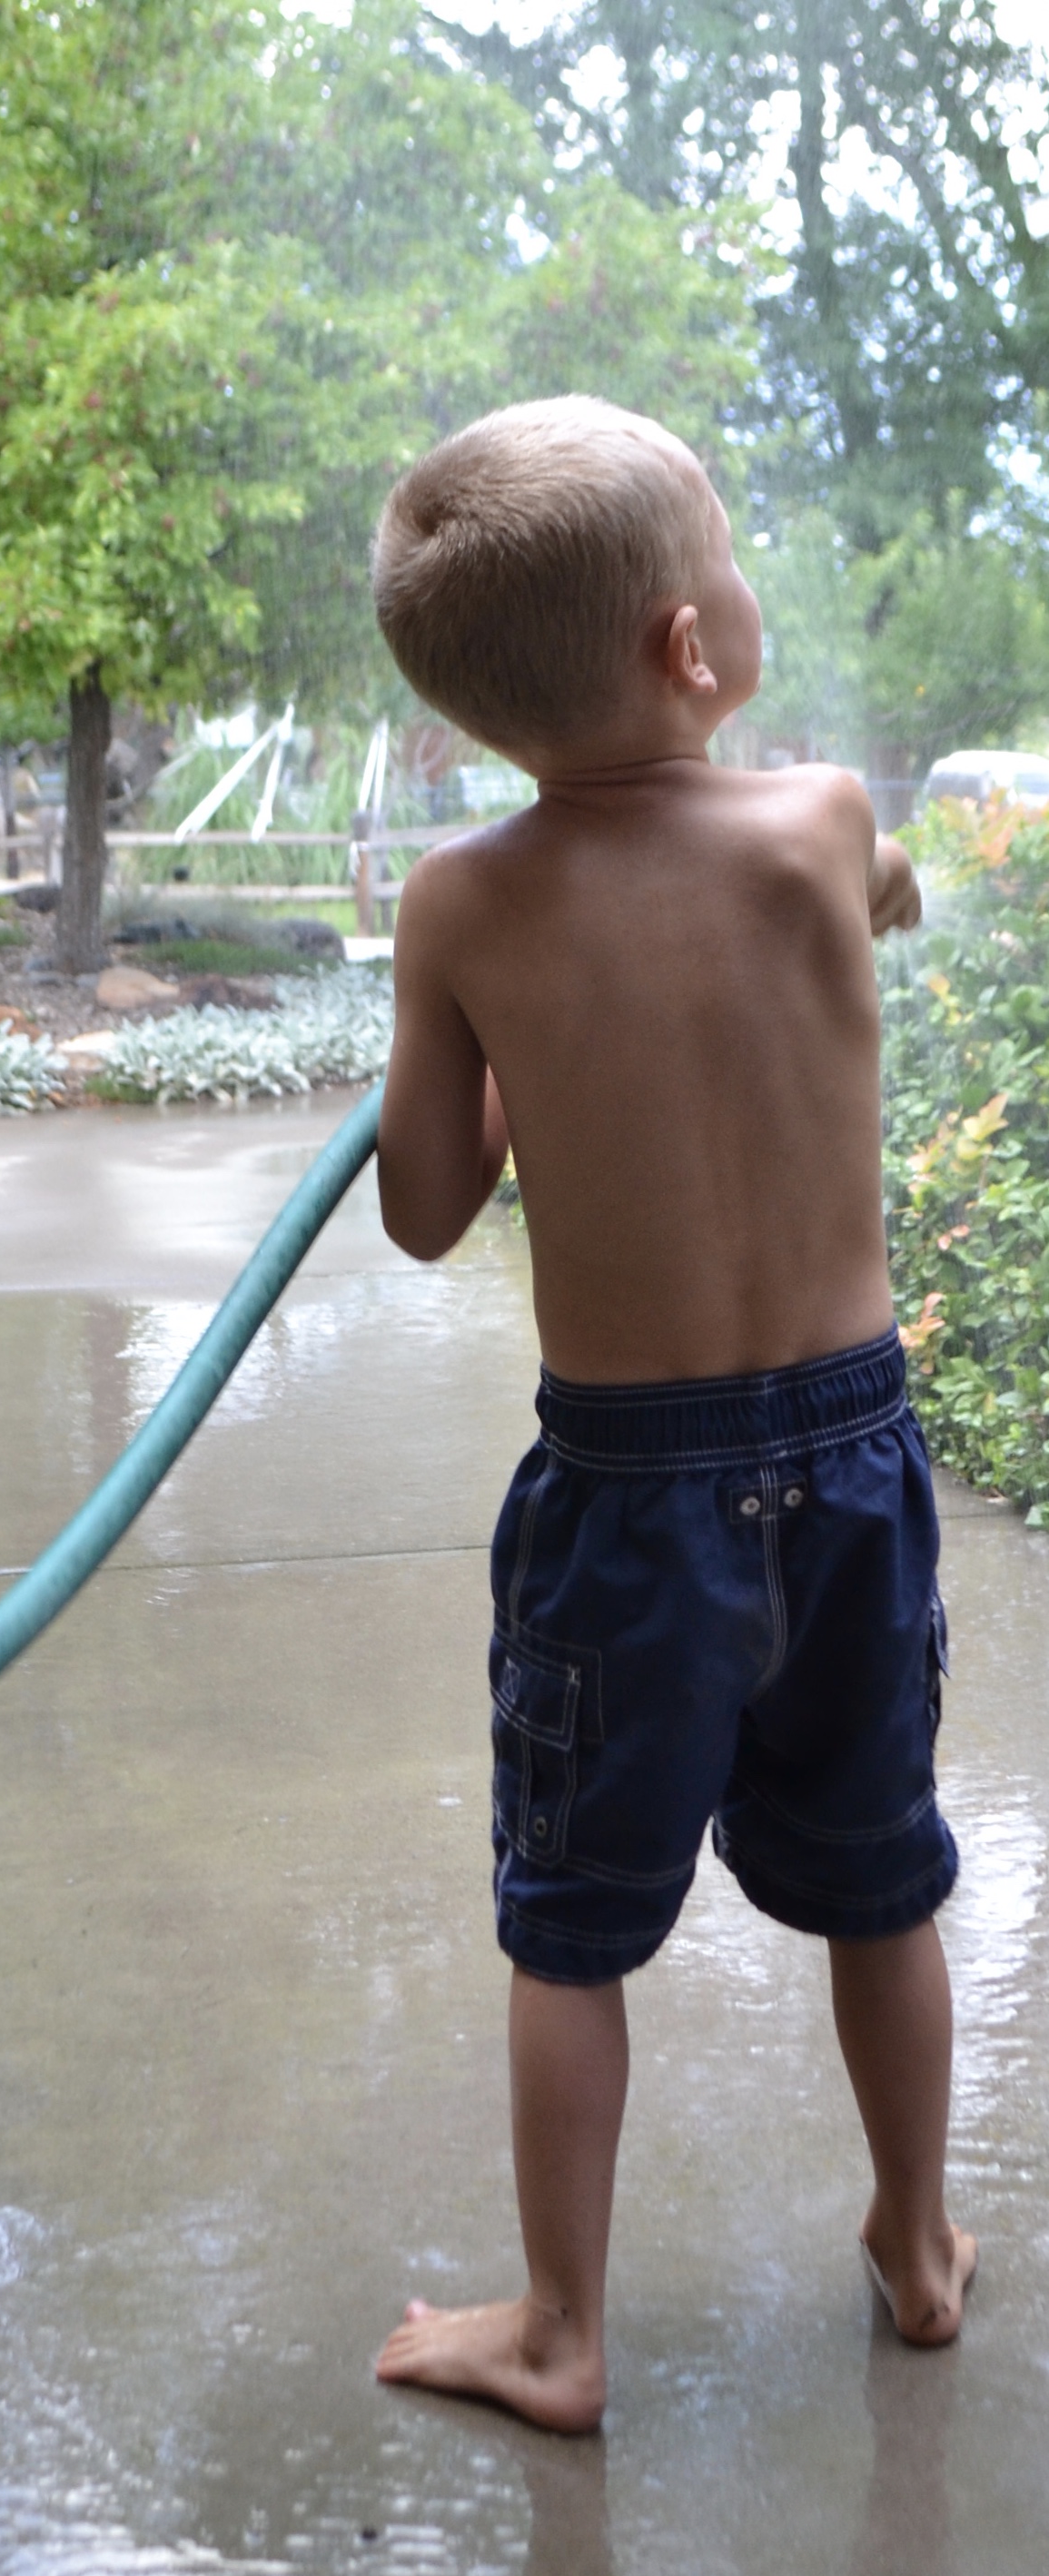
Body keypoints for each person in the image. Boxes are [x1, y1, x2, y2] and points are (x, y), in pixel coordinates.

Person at [368, 396, 974, 2434]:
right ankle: (911, 2236)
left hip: (629, 1500)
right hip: (855, 1467)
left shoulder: (462, 906)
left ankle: (557, 2328)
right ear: (687, 651)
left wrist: (503, 1062)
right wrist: (869, 904)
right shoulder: (816, 822)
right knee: (881, 1873)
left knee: (572, 1930)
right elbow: (864, 895)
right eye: (722, 551)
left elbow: (429, 1209)